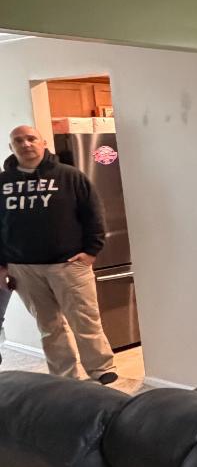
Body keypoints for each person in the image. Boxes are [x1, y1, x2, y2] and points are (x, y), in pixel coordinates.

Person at [0, 124, 117, 383]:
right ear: (11, 147)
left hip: (68, 264)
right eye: (19, 140)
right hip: (23, 268)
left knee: (85, 321)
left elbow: (94, 215)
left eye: (31, 138)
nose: (26, 144)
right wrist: (1, 266)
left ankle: (101, 370)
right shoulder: (2, 182)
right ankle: (65, 378)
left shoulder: (69, 176)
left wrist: (91, 251)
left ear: (43, 143)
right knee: (49, 328)